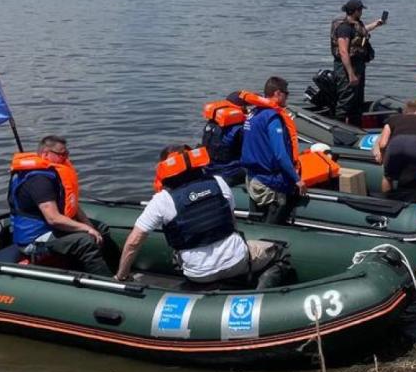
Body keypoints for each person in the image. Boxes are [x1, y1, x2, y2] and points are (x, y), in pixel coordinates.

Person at [115, 145, 285, 287]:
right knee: (280, 253)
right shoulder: (218, 182)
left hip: (198, 274)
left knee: (178, 250)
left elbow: (133, 242)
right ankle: (259, 295)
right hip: (237, 261)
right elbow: (231, 223)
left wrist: (122, 275)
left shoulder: (162, 201)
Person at [8, 135, 118, 276]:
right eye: (61, 154)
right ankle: (107, 284)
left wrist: (88, 224)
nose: (66, 157)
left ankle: (118, 273)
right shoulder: (39, 180)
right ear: (46, 154)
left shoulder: (53, 172)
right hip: (36, 237)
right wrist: (85, 229)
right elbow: (53, 219)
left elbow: (72, 204)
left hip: (54, 227)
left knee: (101, 228)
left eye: (67, 153)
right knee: (85, 241)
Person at [240, 77, 307, 225]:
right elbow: (280, 154)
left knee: (257, 220)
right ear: (277, 93)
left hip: (252, 178)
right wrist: (297, 180)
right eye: (286, 93)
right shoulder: (272, 117)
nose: (287, 96)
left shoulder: (253, 114)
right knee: (273, 225)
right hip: (269, 183)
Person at [330, 0, 386, 124]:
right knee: (346, 99)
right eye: (360, 10)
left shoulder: (354, 25)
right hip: (347, 68)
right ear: (354, 11)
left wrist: (377, 24)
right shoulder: (344, 28)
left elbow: (360, 31)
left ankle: (355, 125)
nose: (361, 12)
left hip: (358, 66)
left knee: (357, 100)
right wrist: (351, 74)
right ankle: (339, 126)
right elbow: (344, 52)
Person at [201, 91, 248, 185]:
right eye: (246, 107)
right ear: (241, 107)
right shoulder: (238, 129)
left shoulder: (211, 123)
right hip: (230, 173)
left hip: (209, 169)